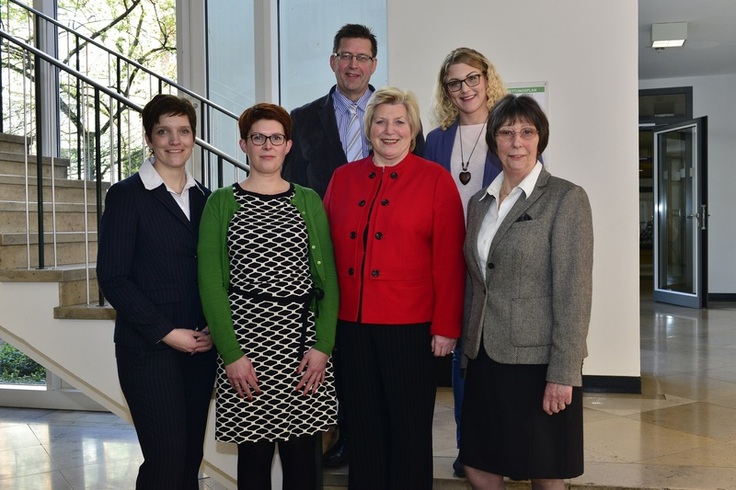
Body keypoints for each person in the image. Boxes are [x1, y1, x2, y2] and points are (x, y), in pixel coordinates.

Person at [282, 23, 424, 468]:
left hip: (387, 281)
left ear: (374, 64)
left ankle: (353, 438)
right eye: (346, 55)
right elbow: (289, 187)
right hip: (324, 263)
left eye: (363, 57)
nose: (353, 64)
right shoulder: (300, 119)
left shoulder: (394, 114)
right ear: (333, 61)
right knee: (340, 363)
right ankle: (341, 432)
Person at [323, 87, 466, 489]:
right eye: (381, 121)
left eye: (399, 122)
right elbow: (329, 256)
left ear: (413, 129)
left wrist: (446, 325)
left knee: (408, 432)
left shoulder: (435, 180)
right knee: (364, 430)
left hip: (412, 328)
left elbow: (450, 260)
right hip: (351, 326)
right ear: (369, 129)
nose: (390, 130)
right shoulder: (343, 178)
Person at [197, 103, 338, 490]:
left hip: (302, 350)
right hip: (246, 352)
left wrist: (323, 346)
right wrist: (231, 355)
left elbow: (328, 283)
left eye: (276, 137)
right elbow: (211, 285)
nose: (267, 145)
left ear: (289, 145)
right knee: (254, 466)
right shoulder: (221, 203)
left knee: (304, 466)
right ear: (244, 144)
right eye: (258, 137)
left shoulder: (308, 200)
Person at [460, 94, 593, 489]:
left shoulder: (566, 199)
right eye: (506, 132)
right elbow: (476, 281)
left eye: (527, 132)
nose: (516, 141)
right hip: (486, 356)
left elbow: (575, 291)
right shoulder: (478, 204)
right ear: (493, 141)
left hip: (538, 362)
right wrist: (468, 350)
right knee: (477, 461)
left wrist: (564, 372)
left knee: (545, 468)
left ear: (540, 139)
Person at [97, 94, 217, 490]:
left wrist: (213, 328)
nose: (174, 140)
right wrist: (168, 332)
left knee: (188, 459)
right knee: (165, 459)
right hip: (148, 349)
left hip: (200, 346)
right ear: (149, 138)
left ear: (194, 137)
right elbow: (113, 278)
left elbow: (216, 274)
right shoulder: (126, 195)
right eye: (163, 131)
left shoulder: (207, 199)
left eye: (183, 131)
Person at [424, 46, 506, 478]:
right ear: (446, 90)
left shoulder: (509, 129)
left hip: (495, 265)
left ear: (486, 78)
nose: (465, 88)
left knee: (491, 363)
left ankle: (497, 448)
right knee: (459, 361)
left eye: (471, 78)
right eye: (454, 82)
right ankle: (467, 449)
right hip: (447, 263)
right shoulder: (437, 139)